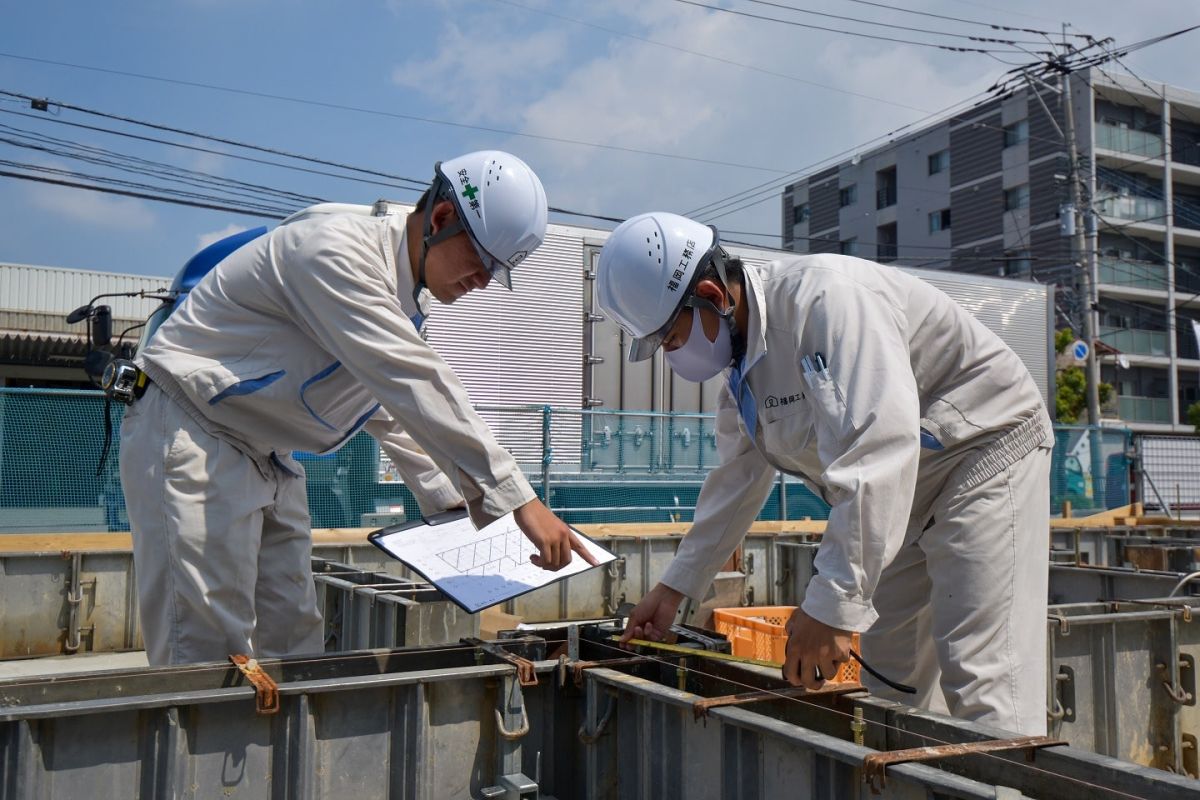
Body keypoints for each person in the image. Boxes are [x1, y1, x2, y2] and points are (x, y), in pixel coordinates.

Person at [119, 150, 597, 665]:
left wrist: (448, 499)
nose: (481, 282)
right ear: (440, 219)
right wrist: (519, 498)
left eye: (495, 272)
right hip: (194, 429)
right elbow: (411, 378)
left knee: (294, 641)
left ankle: (281, 744)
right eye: (481, 262)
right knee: (207, 651)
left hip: (266, 451)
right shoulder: (334, 251)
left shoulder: (402, 297)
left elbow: (381, 403)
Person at [597, 212, 1051, 735]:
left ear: (712, 295)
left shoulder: (827, 301)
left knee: (983, 685)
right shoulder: (744, 375)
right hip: (902, 496)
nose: (673, 356)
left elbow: (878, 447)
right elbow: (737, 482)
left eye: (671, 339)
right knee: (893, 683)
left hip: (982, 451)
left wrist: (832, 606)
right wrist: (675, 588)